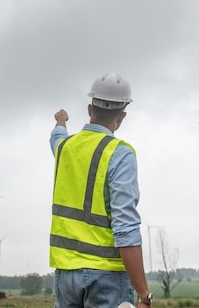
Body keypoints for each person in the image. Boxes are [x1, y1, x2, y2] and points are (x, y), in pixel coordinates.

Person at [49, 71, 152, 308]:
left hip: (65, 274)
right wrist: (144, 294)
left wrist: (61, 120)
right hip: (106, 275)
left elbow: (56, 137)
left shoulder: (64, 148)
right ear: (123, 116)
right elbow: (125, 226)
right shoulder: (120, 153)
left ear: (89, 108)